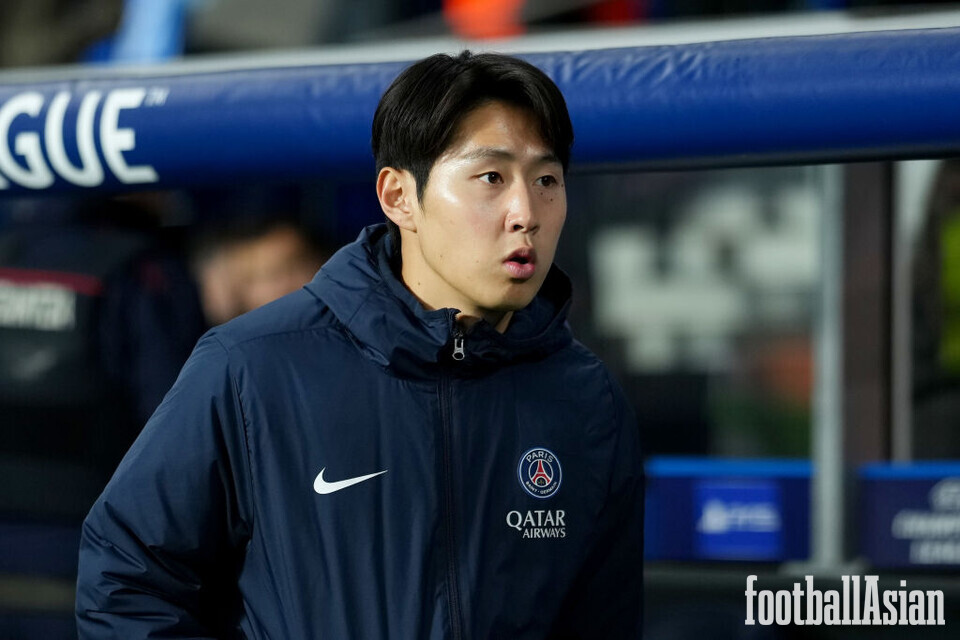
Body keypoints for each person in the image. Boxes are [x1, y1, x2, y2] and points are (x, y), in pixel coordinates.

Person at [76, 51, 644, 639]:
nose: (526, 212)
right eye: (491, 178)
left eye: (546, 180)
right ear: (399, 197)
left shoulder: (589, 401)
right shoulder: (253, 368)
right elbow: (127, 579)